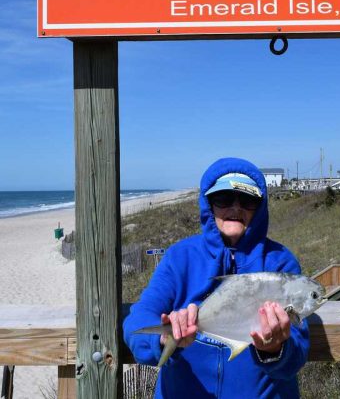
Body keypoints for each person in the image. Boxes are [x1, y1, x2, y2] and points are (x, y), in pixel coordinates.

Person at [123, 157, 309, 398]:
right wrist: (164, 338)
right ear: (208, 204)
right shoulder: (180, 258)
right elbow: (138, 320)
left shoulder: (281, 262)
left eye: (247, 200)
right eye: (223, 199)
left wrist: (275, 349)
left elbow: (297, 352)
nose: (236, 208)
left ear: (259, 208)